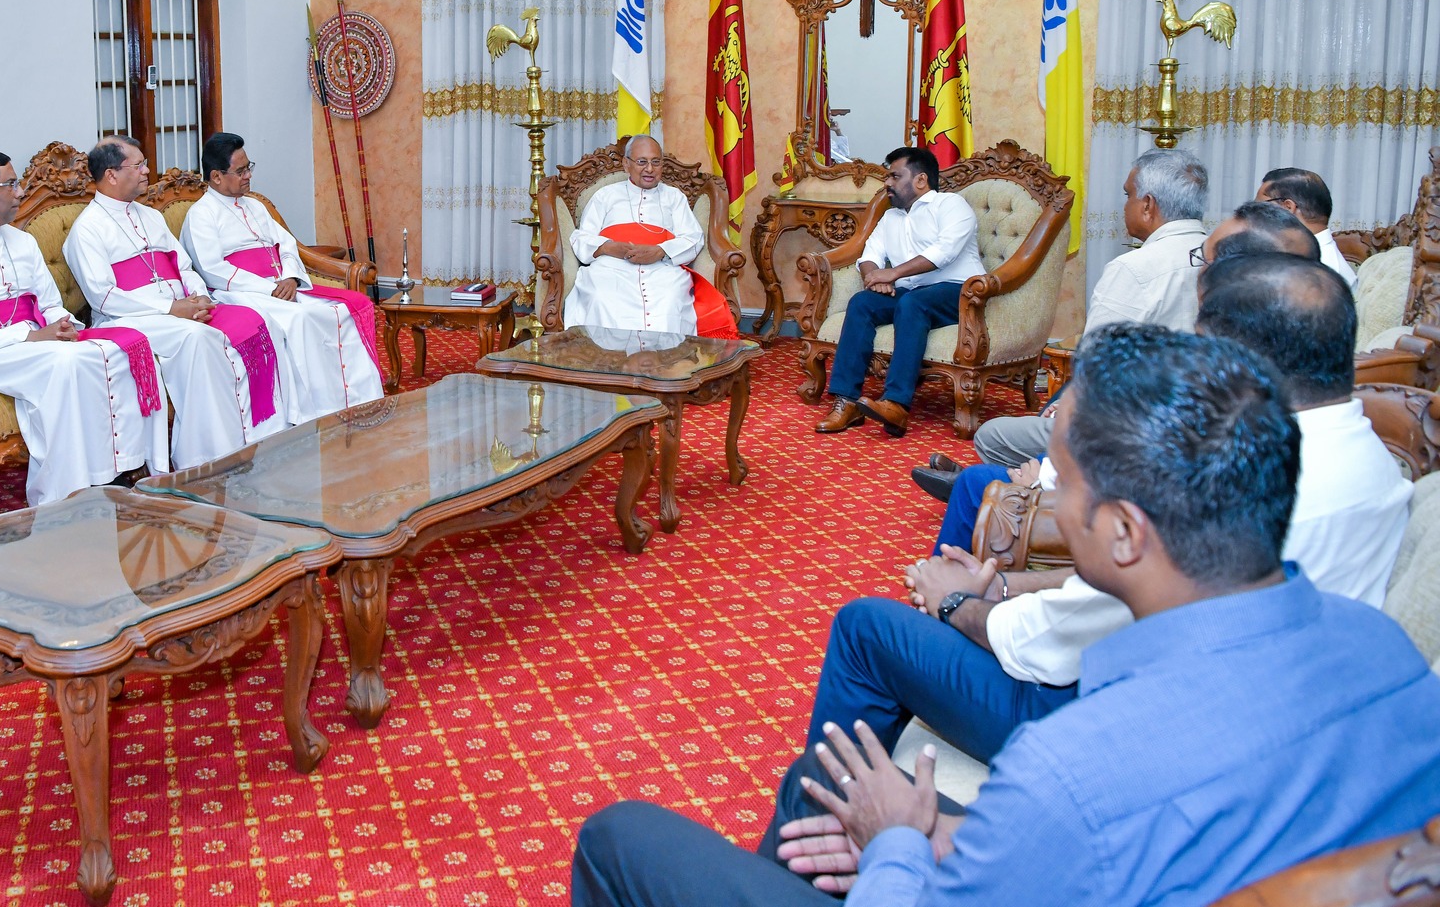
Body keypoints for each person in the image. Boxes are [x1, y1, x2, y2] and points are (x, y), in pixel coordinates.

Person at [572, 325, 1440, 906]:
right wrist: (938, 832)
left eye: (1066, 484)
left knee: (616, 835)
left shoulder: (1070, 770)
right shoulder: (1385, 652)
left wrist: (897, 845)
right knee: (814, 781)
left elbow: (1075, 823)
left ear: (1125, 531)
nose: (1052, 503)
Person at [934, 197, 1318, 481]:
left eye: (1203, 261)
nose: (1197, 270)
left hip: (1138, 459)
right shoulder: (1300, 319)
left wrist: (1047, 477)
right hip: (1152, 430)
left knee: (988, 452)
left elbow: (1157, 434)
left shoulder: (1223, 342)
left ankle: (1003, 486)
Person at [0, 150, 166, 503]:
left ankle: (120, 469)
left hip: (35, 344)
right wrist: (30, 336)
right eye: (10, 184)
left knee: (114, 351)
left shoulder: (23, 241)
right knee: (66, 362)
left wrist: (63, 324)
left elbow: (49, 304)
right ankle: (61, 492)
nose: (19, 192)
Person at [945, 149, 1207, 479]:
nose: (1124, 205)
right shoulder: (1224, 255)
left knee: (992, 435)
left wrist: (1069, 408)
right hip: (1197, 421)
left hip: (1132, 424)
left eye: (1128, 195)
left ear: (1148, 205)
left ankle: (1024, 487)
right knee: (1054, 401)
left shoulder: (1134, 268)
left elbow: (1097, 365)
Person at [67, 136, 288, 469]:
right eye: (138, 165)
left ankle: (262, 435)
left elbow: (184, 267)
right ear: (111, 175)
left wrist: (198, 297)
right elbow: (105, 297)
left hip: (179, 309)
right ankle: (204, 455)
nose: (147, 171)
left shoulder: (150, 216)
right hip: (128, 319)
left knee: (256, 322)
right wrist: (172, 309)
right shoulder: (87, 229)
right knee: (198, 338)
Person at [181, 133, 383, 422]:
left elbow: (286, 245)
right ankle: (316, 411)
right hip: (242, 292)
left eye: (249, 167)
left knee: (341, 311)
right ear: (216, 176)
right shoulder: (201, 214)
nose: (249, 175)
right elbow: (213, 268)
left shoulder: (255, 206)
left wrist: (290, 277)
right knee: (301, 319)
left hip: (281, 286)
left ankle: (359, 399)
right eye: (241, 171)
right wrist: (269, 288)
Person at [816, 147, 985, 438]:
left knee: (913, 303)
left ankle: (896, 403)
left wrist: (893, 274)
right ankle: (847, 402)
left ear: (920, 180)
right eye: (888, 177)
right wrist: (873, 277)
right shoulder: (891, 217)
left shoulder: (950, 205)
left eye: (895, 176)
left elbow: (944, 252)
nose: (887, 183)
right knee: (863, 303)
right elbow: (870, 255)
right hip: (911, 292)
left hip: (959, 292)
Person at [560, 135, 738, 339]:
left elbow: (693, 238)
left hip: (662, 268)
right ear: (626, 164)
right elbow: (581, 238)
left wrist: (661, 251)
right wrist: (609, 247)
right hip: (611, 267)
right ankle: (608, 355)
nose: (650, 169)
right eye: (642, 162)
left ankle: (664, 355)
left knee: (670, 298)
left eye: (656, 162)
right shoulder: (605, 195)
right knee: (601, 295)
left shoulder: (674, 197)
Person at [1258, 167, 1356, 287]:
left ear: (1287, 207)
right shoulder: (1297, 254)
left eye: (1259, 207)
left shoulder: (1322, 272)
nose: (1253, 216)